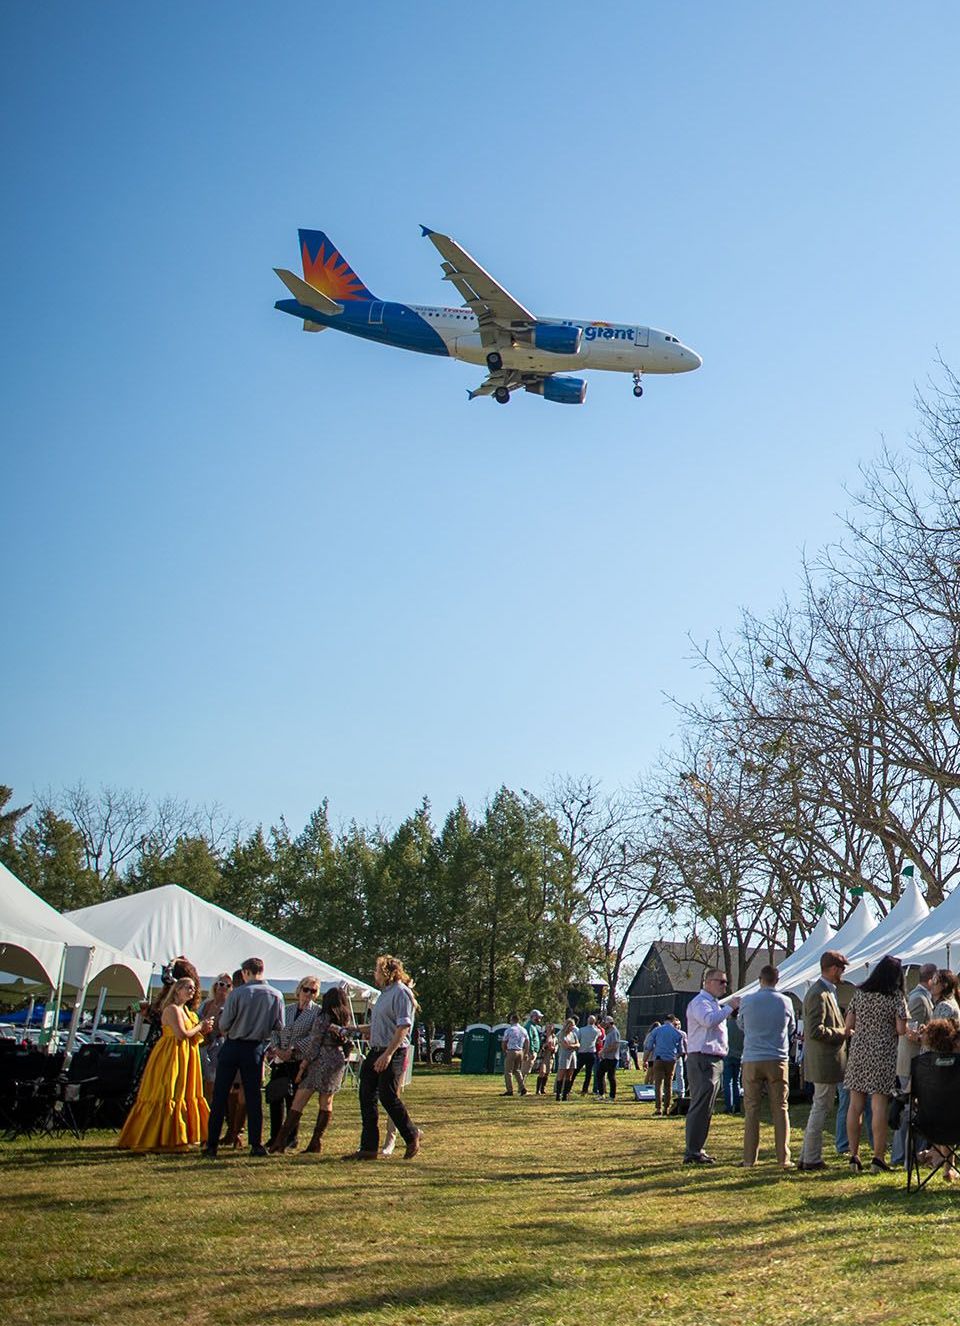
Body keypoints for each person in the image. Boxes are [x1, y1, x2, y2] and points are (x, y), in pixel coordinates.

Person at [118, 976, 213, 1152]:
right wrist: (200, 1026)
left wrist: (203, 1029)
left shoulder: (187, 1011)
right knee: (167, 1091)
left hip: (186, 1054)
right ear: (177, 989)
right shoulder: (172, 1009)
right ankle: (156, 1137)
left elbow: (192, 1036)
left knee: (182, 1092)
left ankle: (181, 1136)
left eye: (193, 988)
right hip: (171, 1054)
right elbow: (181, 1034)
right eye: (187, 987)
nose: (191, 991)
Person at [203, 957, 285, 1159]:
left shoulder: (238, 993)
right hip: (256, 1047)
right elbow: (279, 1025)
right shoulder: (276, 995)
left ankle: (211, 1145)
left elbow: (224, 1025)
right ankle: (256, 1144)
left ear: (246, 972)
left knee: (220, 1095)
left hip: (233, 1045)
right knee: (253, 1097)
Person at [343, 954, 423, 1161]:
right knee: (366, 1094)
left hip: (393, 1051)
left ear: (387, 971)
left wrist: (388, 1055)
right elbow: (379, 1026)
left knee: (387, 1096)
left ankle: (411, 1134)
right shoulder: (384, 994)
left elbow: (403, 1027)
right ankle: (368, 1147)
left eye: (377, 970)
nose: (374, 974)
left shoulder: (401, 993)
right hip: (377, 1049)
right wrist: (354, 1029)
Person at [843, 954, 908, 1174]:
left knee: (855, 1106)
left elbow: (849, 1024)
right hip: (883, 1054)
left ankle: (853, 1155)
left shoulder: (859, 993)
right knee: (878, 1106)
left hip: (859, 1052)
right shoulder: (895, 996)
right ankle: (878, 1158)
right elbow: (901, 1030)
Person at [269, 984, 352, 1155]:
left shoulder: (322, 1018)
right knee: (326, 1102)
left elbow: (314, 1044)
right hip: (336, 1061)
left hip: (320, 1061)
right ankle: (316, 1141)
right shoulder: (344, 1018)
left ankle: (280, 1141)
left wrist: (303, 1066)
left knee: (299, 1100)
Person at [737, 965, 796, 1170]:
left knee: (752, 1109)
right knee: (780, 1107)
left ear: (760, 979)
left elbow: (741, 1024)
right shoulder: (786, 1001)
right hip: (777, 1058)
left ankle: (749, 1159)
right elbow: (792, 1028)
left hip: (752, 1057)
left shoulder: (747, 1000)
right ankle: (783, 1158)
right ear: (777, 980)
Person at [798, 950, 850, 1171]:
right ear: (833, 969)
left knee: (820, 1107)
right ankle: (811, 1158)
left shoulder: (826, 992)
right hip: (824, 1062)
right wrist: (843, 1033)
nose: (843, 973)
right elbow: (815, 1030)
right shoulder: (818, 994)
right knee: (820, 1108)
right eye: (841, 969)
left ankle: (806, 1156)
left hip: (826, 1061)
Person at [684, 969, 740, 1165]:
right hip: (702, 1058)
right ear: (707, 982)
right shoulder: (700, 1003)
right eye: (721, 982)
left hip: (713, 1059)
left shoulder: (714, 1003)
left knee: (707, 1106)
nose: (724, 985)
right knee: (700, 1105)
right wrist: (729, 1008)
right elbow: (708, 1021)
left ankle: (698, 1148)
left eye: (725, 982)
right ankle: (692, 1151)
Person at [265, 976, 320, 1150]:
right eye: (306, 989)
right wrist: (277, 1049)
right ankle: (274, 1136)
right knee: (275, 1097)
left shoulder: (316, 1012)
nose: (309, 994)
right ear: (299, 990)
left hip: (299, 1061)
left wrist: (294, 1049)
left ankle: (290, 1137)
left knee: (293, 1100)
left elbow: (314, 1036)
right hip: (280, 1059)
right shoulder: (286, 1009)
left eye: (313, 991)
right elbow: (275, 1029)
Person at [198, 971, 233, 1105]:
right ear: (215, 985)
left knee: (212, 1078)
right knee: (202, 1077)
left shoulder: (230, 1006)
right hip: (202, 1043)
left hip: (219, 1044)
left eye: (227, 985)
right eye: (221, 984)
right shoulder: (206, 1004)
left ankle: (211, 1105)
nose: (223, 987)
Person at [649, 1016, 684, 1117]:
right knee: (668, 1084)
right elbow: (681, 1051)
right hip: (671, 1060)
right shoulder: (677, 1033)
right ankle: (667, 1108)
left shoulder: (657, 1030)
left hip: (659, 1059)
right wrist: (675, 1057)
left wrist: (646, 1059)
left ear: (664, 1021)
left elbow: (649, 1046)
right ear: (673, 1021)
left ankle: (658, 1108)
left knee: (658, 1084)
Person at [501, 1013, 530, 1097]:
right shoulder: (523, 1030)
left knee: (508, 1071)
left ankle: (509, 1090)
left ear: (512, 1020)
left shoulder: (509, 1030)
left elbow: (504, 1042)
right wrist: (526, 1053)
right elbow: (527, 1042)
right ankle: (522, 1088)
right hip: (520, 1051)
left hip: (511, 1050)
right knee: (517, 1070)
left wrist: (505, 1051)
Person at [594, 1016, 621, 1101]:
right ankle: (602, 1094)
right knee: (600, 1074)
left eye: (605, 1023)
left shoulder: (614, 1032)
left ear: (609, 1023)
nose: (604, 1025)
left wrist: (603, 1051)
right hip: (607, 1057)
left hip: (612, 1058)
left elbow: (615, 1046)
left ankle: (612, 1096)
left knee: (611, 1076)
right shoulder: (609, 1032)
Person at [722, 1015, 744, 1114]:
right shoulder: (742, 1026)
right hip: (739, 1055)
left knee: (727, 1082)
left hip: (727, 1054)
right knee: (737, 1082)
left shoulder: (726, 1025)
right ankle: (737, 1106)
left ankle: (729, 1106)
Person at [574, 1015, 600, 1095]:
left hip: (582, 1052)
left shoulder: (581, 1030)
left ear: (587, 1021)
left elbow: (578, 1039)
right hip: (591, 1053)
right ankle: (584, 1090)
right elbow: (598, 1040)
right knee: (588, 1074)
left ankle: (568, 1087)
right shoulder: (597, 1031)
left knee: (575, 1071)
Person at [554, 1018, 579, 1100]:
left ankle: (565, 1094)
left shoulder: (573, 1034)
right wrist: (572, 1046)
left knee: (569, 1075)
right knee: (561, 1074)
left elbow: (578, 1044)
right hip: (564, 1056)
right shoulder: (562, 1034)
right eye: (572, 1026)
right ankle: (558, 1094)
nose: (572, 1028)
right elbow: (565, 1046)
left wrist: (572, 1045)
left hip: (572, 1056)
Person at [533, 1023, 558, 1095]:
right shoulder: (542, 1036)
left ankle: (543, 1088)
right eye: (548, 1027)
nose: (549, 1029)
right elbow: (540, 1045)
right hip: (543, 1056)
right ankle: (538, 1090)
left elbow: (556, 1045)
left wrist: (554, 1049)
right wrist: (545, 1045)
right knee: (542, 1072)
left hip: (550, 1056)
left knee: (547, 1073)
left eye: (551, 1027)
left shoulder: (555, 1037)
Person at [522, 1010, 544, 1086]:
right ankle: (521, 1088)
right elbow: (529, 1040)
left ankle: (522, 1087)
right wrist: (531, 1051)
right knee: (525, 1070)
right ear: (533, 1017)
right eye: (538, 1018)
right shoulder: (529, 1027)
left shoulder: (533, 1026)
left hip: (533, 1051)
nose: (539, 1019)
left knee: (527, 1070)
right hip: (530, 1052)